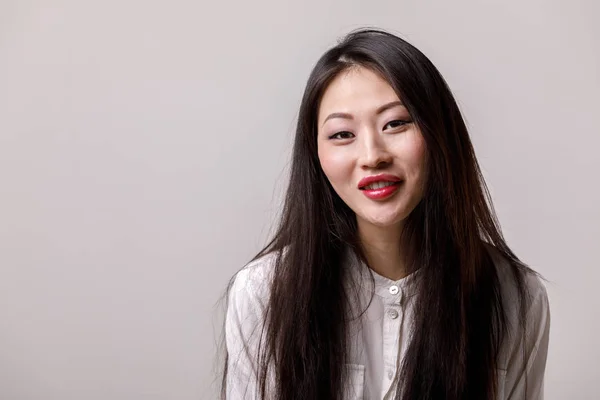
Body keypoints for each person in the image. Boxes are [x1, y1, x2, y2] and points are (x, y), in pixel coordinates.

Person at [221, 28, 550, 400]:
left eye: (395, 123)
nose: (372, 155)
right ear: (316, 157)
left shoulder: (516, 298)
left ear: (439, 134)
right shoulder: (263, 293)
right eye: (343, 134)